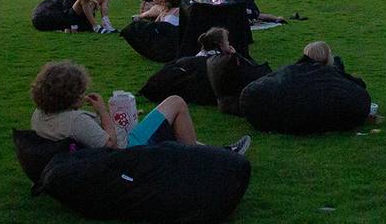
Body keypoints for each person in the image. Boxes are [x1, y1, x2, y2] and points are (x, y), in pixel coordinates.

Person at [29, 59, 247, 155]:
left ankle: (221, 153)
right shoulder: (75, 122)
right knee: (176, 102)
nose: (83, 95)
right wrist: (103, 111)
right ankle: (201, 159)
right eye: (79, 92)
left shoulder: (41, 115)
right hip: (128, 148)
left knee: (169, 126)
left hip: (124, 138)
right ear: (68, 95)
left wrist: (120, 117)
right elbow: (111, 145)